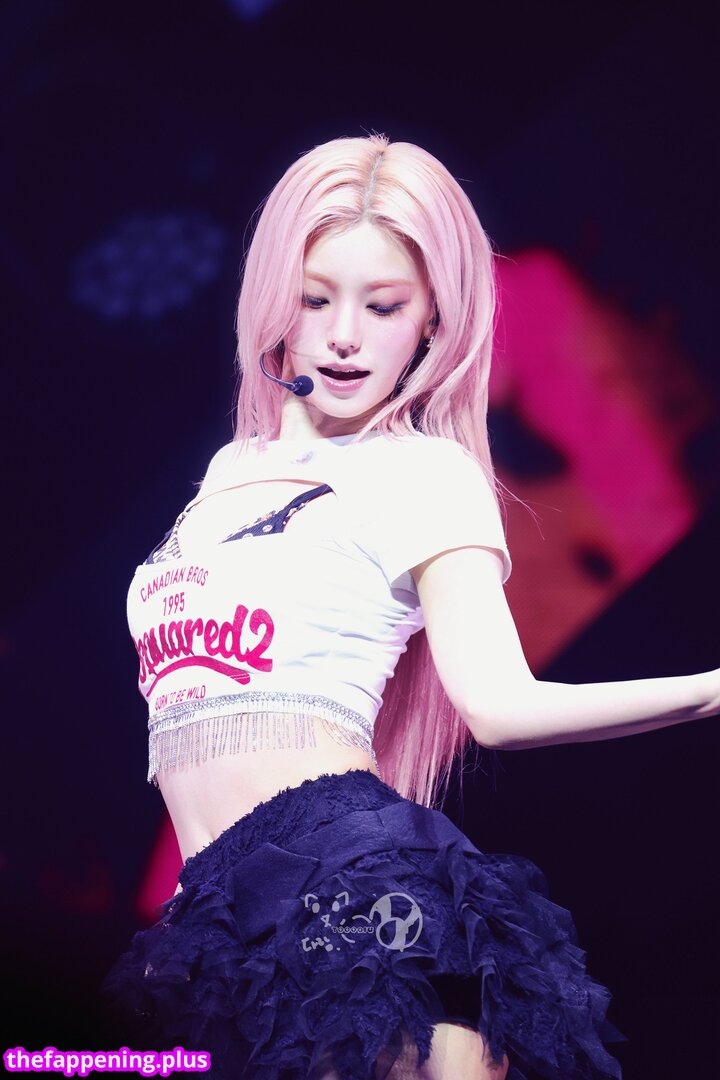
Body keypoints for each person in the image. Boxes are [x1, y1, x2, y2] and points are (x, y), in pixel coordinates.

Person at [102, 134, 719, 1080]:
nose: (344, 335)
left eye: (384, 305)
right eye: (315, 298)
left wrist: (711, 690)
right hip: (216, 916)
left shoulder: (426, 474)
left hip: (345, 880)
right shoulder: (229, 470)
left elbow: (499, 708)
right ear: (273, 299)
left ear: (432, 319)